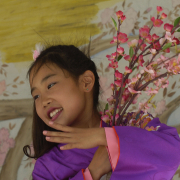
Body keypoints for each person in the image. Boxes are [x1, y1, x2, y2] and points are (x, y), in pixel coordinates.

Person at [24, 44, 180, 180]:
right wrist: (93, 171)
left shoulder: (131, 123)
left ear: (86, 81)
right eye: (36, 96)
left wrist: (106, 137)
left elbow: (174, 152)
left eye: (50, 85)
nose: (43, 101)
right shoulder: (47, 167)